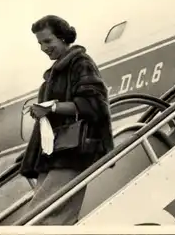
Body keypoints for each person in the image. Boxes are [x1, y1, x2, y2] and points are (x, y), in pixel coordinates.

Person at [18, 14, 114, 225]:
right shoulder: (56, 72)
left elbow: (94, 105)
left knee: (40, 217)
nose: (43, 48)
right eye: (40, 43)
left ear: (63, 38)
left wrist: (51, 107)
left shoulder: (80, 64)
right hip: (56, 152)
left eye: (48, 41)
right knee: (53, 216)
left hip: (74, 151)